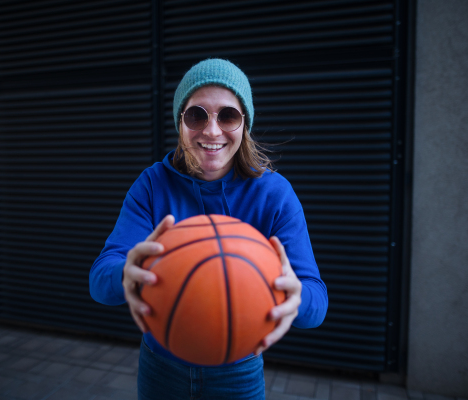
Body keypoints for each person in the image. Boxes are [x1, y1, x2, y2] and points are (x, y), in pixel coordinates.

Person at [90, 58, 328, 400]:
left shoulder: (274, 194)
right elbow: (100, 280)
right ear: (180, 122)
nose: (212, 130)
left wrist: (295, 296)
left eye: (228, 115)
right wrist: (126, 271)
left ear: (244, 123)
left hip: (238, 372)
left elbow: (316, 302)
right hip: (161, 365)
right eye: (196, 115)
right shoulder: (152, 185)